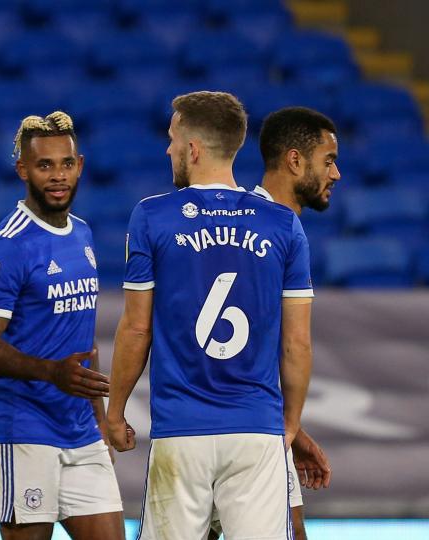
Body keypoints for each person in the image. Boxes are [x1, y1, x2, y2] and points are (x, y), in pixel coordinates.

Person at [105, 91, 314, 540]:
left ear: (193, 149)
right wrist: (290, 425)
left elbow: (137, 327)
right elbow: (296, 343)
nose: (168, 149)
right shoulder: (282, 224)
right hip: (255, 431)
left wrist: (116, 409)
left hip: (182, 430)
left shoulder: (152, 217)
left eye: (173, 140)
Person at [0, 111, 125, 540]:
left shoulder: (84, 235)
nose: (58, 176)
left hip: (79, 427)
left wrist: (100, 420)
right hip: (22, 423)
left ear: (81, 165)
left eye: (66, 164)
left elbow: (82, 341)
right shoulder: (8, 244)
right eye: (44, 165)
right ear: (23, 170)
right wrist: (52, 372)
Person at [208, 107, 340, 540]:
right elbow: (276, 343)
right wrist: (286, 425)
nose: (335, 173)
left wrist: (291, 428)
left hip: (237, 418)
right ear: (295, 161)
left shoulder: (253, 225)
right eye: (328, 160)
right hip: (236, 426)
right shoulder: (260, 232)